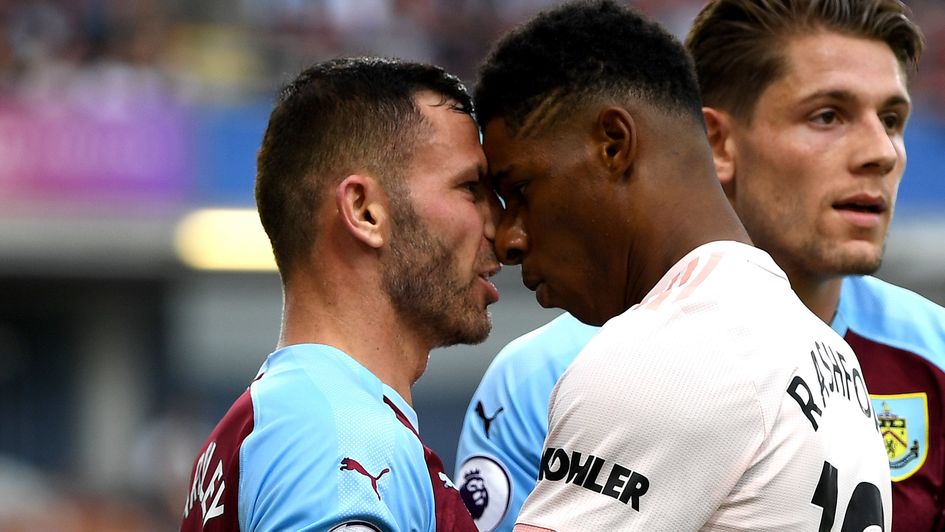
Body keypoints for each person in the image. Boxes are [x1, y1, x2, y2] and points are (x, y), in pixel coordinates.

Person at [455, 0, 945, 530]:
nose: (882, 152)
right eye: (827, 116)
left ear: (617, 143)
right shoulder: (835, 360)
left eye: (893, 120)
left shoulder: (659, 355)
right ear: (716, 141)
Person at [180, 57, 501, 531]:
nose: (501, 226)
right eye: (471, 188)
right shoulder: (340, 438)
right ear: (364, 211)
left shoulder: (271, 420)